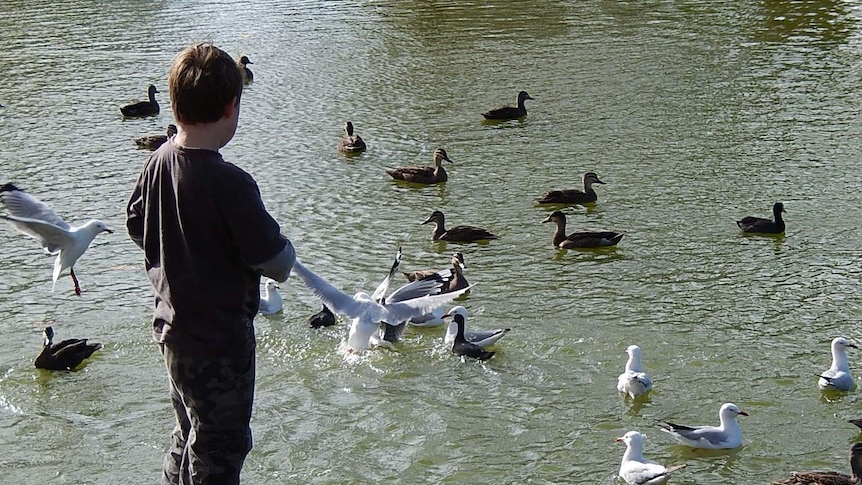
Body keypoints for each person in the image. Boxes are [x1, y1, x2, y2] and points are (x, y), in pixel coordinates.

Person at [125, 42, 295, 485]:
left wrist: (179, 255)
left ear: (175, 103)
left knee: (188, 434)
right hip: (221, 345)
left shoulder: (157, 161)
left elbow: (137, 224)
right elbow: (276, 263)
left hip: (173, 333)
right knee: (221, 444)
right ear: (231, 107)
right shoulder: (231, 183)